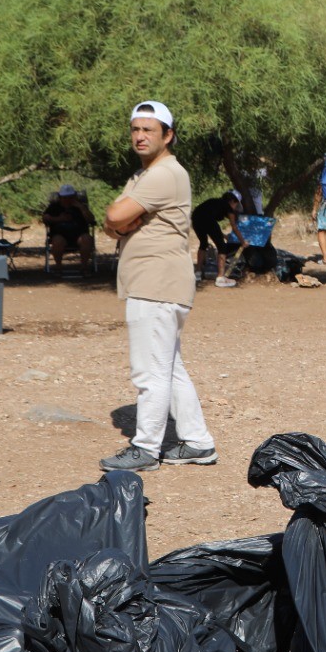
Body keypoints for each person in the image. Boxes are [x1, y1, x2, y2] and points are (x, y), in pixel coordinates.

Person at [99, 100, 217, 472]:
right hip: (158, 284)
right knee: (168, 368)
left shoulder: (164, 173)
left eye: (148, 130)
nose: (139, 136)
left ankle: (146, 448)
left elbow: (115, 215)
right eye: (135, 129)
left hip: (157, 284)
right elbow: (111, 222)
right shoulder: (143, 175)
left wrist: (121, 222)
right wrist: (119, 222)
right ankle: (198, 443)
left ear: (168, 135)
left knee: (150, 371)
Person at [191, 189, 243, 288]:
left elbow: (210, 224)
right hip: (207, 219)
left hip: (196, 217)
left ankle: (197, 273)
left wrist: (223, 235)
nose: (235, 207)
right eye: (236, 204)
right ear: (232, 201)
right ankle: (220, 278)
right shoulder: (229, 208)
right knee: (222, 247)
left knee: (203, 243)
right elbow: (234, 227)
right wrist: (243, 242)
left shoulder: (215, 201)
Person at [43, 184, 96, 277]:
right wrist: (59, 219)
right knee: (58, 241)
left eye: (70, 197)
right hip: (60, 235)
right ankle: (58, 268)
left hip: (79, 235)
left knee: (87, 239)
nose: (67, 199)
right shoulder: (54, 207)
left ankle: (84, 268)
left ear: (74, 196)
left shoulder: (81, 207)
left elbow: (91, 219)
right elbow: (45, 218)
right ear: (60, 197)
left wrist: (81, 208)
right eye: (65, 197)